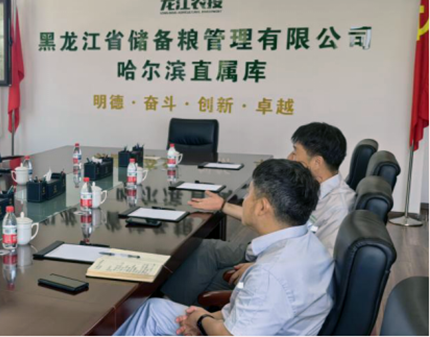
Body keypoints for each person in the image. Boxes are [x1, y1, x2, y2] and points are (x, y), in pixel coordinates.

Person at [115, 159, 333, 336]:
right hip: (244, 325)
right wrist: (204, 319)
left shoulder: (270, 274)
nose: (245, 199)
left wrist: (201, 320)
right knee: (153, 309)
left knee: (150, 316)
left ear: (262, 207)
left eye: (250, 194)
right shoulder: (309, 244)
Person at [161, 122, 354, 305]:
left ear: (317, 162)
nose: (290, 157)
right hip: (272, 250)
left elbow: (322, 266)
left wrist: (263, 266)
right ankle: (167, 301)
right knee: (204, 249)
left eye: (295, 152)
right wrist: (223, 205)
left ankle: (170, 310)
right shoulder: (313, 188)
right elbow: (270, 215)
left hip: (282, 267)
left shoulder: (338, 207)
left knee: (203, 278)